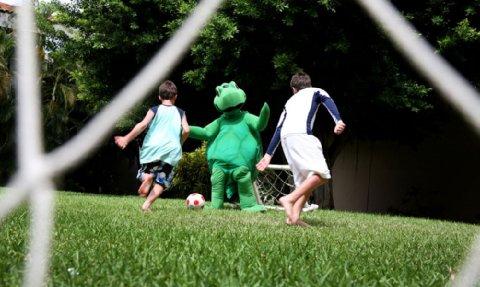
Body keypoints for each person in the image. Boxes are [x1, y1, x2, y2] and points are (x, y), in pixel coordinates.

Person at [256, 72, 346, 226]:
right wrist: (338, 121)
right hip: (301, 135)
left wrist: (268, 155)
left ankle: (294, 218)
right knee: (322, 174)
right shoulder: (316, 91)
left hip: (286, 139)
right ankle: (288, 199)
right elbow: (328, 103)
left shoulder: (289, 102)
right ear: (308, 84)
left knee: (305, 182)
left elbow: (278, 129)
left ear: (293, 89)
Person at [114, 80, 190, 212]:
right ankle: (146, 204)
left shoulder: (154, 109)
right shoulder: (181, 112)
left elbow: (142, 125)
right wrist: (180, 142)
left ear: (159, 97)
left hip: (152, 148)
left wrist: (126, 138)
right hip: (171, 150)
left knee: (145, 172)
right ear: (176, 97)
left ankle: (147, 178)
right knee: (162, 181)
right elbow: (187, 130)